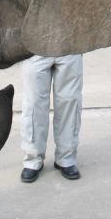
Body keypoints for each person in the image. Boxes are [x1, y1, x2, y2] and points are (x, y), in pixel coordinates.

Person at [20, 54, 83, 182]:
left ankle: (66, 158)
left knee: (69, 100)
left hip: (71, 44)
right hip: (35, 45)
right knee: (34, 103)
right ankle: (33, 159)